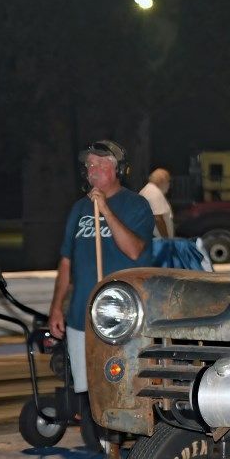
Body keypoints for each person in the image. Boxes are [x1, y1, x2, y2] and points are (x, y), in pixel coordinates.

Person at [48, 140, 154, 405]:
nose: (92, 170)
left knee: (120, 387)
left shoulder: (136, 205)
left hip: (120, 318)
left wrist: (105, 209)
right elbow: (66, 262)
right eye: (89, 165)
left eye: (100, 164)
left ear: (117, 169)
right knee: (85, 390)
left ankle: (115, 443)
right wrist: (57, 307)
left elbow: (133, 250)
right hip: (80, 315)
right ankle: (96, 441)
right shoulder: (79, 209)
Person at [139, 167, 173, 238]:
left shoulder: (148, 190)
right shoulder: (154, 192)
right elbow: (158, 218)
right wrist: (166, 240)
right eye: (168, 181)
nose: (169, 185)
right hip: (158, 242)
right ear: (162, 180)